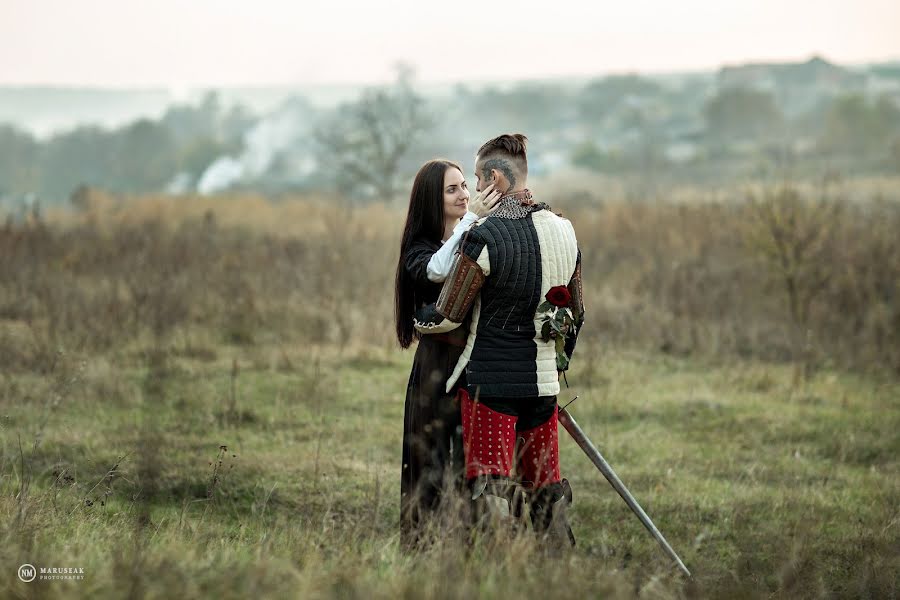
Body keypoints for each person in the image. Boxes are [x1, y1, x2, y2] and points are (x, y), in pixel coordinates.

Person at [413, 134, 584, 550]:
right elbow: (577, 312)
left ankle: (496, 574)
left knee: (491, 486)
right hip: (544, 386)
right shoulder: (565, 229)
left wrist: (418, 320)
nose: (472, 188)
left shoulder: (484, 236)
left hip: (489, 387)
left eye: (475, 178)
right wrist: (556, 363)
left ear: (494, 178)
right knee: (544, 485)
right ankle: (555, 572)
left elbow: (447, 313)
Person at [395, 159, 501, 549]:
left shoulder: (468, 234)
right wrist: (472, 221)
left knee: (467, 456)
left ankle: (465, 541)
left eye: (464, 186)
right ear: (431, 199)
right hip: (437, 366)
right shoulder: (419, 249)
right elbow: (438, 271)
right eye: (451, 189)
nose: (464, 195)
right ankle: (423, 542)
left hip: (473, 363)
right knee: (431, 455)